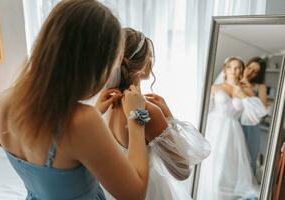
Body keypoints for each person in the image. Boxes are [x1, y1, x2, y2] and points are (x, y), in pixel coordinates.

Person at [0, 1, 150, 200]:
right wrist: (136, 117)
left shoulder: (5, 101)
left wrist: (94, 113)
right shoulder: (83, 122)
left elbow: (58, 149)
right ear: (90, 65)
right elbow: (135, 194)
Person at [102, 28, 211, 200]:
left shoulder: (105, 101)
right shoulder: (145, 111)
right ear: (142, 64)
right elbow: (181, 170)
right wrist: (168, 117)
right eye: (150, 56)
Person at [197, 57, 266, 200]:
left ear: (242, 70)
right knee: (212, 164)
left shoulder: (245, 90)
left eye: (238, 68)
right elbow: (203, 111)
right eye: (231, 67)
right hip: (215, 128)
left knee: (227, 167)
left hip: (233, 132)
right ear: (225, 70)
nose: (234, 71)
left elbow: (259, 112)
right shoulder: (215, 88)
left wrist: (243, 95)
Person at [240, 57, 268, 175]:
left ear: (259, 74)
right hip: (235, 123)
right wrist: (243, 79)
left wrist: (249, 89)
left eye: (255, 71)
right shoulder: (236, 81)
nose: (251, 72)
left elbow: (263, 108)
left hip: (252, 126)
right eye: (249, 67)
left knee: (250, 156)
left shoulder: (260, 87)